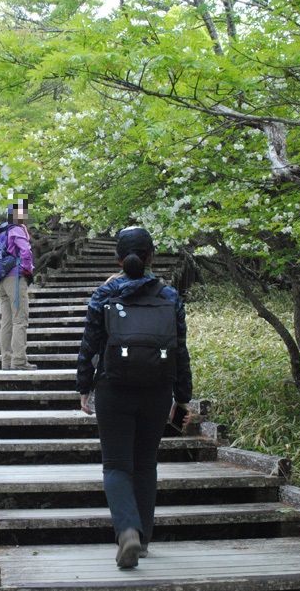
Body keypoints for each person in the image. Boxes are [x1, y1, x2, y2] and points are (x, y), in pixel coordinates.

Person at [75, 226, 193, 569]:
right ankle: (142, 540)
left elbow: (89, 345)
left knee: (116, 465)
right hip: (157, 390)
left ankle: (126, 530)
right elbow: (180, 350)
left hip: (114, 388)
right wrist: (182, 396)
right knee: (145, 465)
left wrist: (84, 386)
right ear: (151, 257)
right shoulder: (169, 296)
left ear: (117, 258)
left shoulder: (105, 294)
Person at [0, 199, 36, 371]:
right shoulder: (17, 230)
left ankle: (6, 361)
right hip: (15, 279)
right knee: (20, 320)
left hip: (2, 280)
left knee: (6, 322)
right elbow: (25, 252)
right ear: (20, 215)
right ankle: (19, 361)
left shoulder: (2, 231)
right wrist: (27, 271)